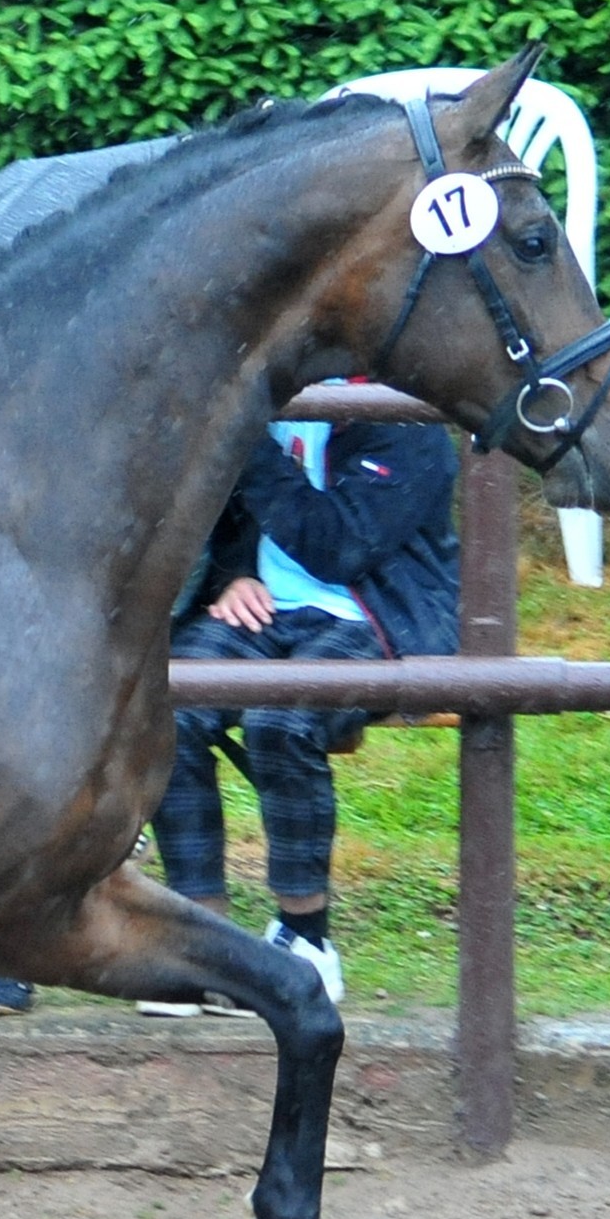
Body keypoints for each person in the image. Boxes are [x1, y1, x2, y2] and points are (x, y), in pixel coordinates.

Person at [142, 417, 460, 1013]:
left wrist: (249, 445)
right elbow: (226, 508)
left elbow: (336, 548)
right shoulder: (278, 400)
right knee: (168, 703)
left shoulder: (404, 425)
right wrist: (234, 572)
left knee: (281, 721)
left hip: (377, 617)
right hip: (267, 610)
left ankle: (306, 937)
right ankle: (201, 939)